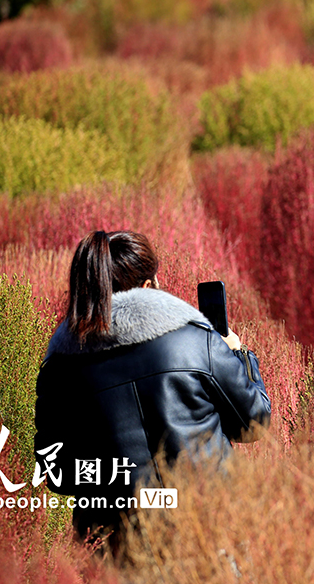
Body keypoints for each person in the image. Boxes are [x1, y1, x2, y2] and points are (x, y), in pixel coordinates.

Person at [34, 230, 271, 548]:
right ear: (148, 286)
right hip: (206, 532)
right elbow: (253, 424)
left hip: (116, 545)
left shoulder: (59, 370)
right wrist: (239, 355)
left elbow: (57, 473)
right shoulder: (196, 341)